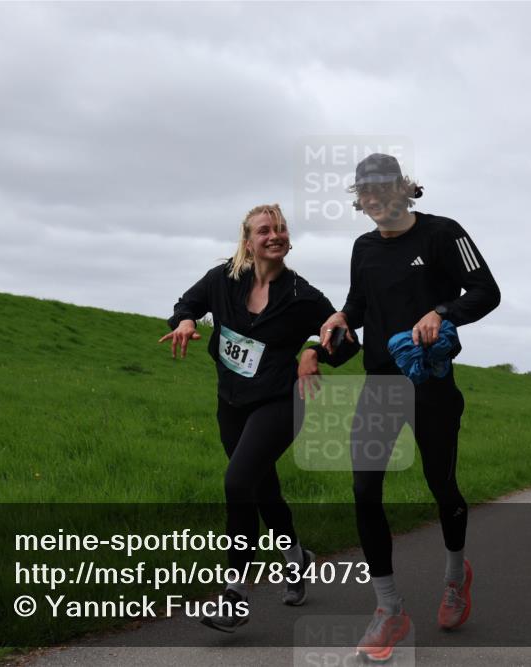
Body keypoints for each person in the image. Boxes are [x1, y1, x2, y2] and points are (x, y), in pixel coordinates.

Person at [315, 154, 501, 661]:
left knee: (442, 485)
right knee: (364, 487)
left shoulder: (444, 233)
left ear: (402, 188)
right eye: (364, 192)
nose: (372, 199)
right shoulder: (363, 247)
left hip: (432, 383)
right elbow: (359, 302)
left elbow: (487, 291)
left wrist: (441, 312)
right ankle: (389, 609)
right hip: (380, 382)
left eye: (381, 189)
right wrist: (339, 317)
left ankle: (454, 575)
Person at [160, 204, 357, 632]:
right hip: (231, 402)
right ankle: (296, 558)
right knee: (262, 490)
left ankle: (235, 593)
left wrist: (314, 351)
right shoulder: (223, 279)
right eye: (265, 230)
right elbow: (186, 303)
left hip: (281, 402)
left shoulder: (303, 296)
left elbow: (343, 339)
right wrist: (186, 321)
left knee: (237, 482)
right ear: (248, 241)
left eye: (281, 229)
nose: (275, 235)